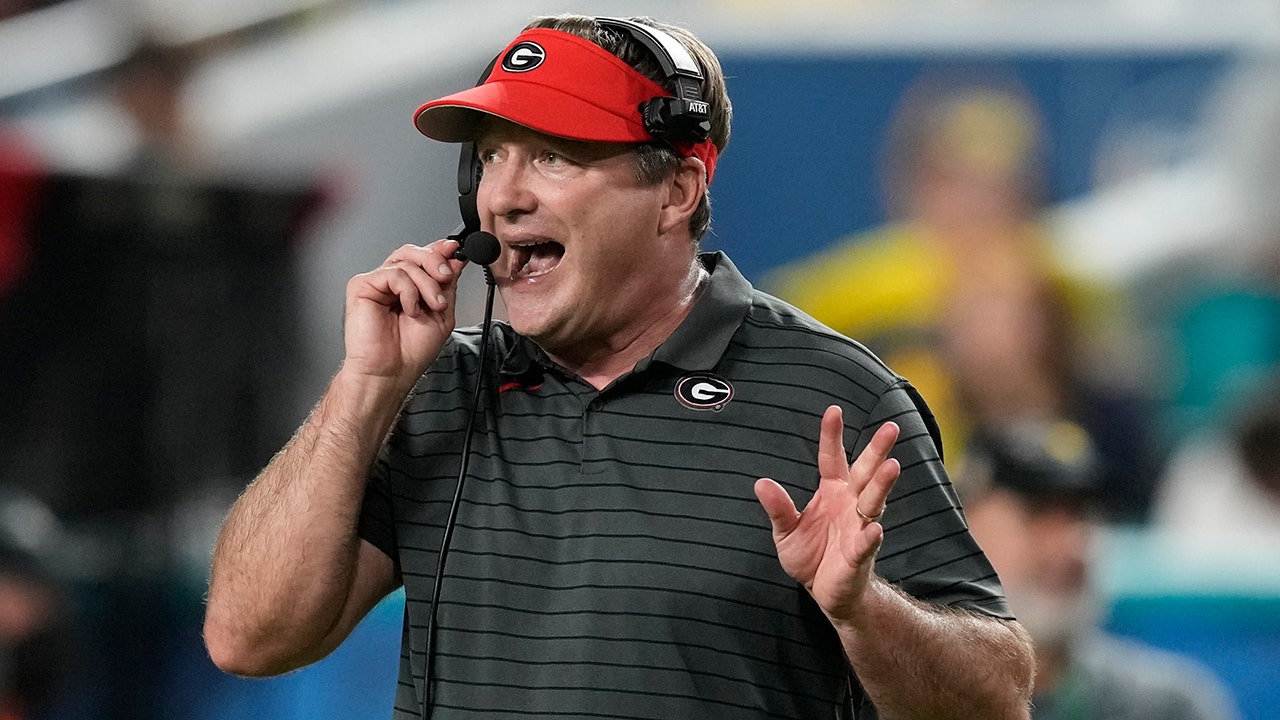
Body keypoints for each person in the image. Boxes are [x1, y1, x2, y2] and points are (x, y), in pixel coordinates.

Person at [203, 14, 1034, 719]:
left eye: (553, 157)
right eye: (492, 156)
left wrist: (863, 609)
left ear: (675, 193)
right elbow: (247, 637)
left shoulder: (831, 395)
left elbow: (999, 697)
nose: (504, 195)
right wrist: (363, 390)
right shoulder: (435, 389)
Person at [765, 76, 1159, 520]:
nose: (983, 206)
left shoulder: (1067, 285)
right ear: (915, 188)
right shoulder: (853, 293)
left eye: (1004, 186)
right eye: (961, 184)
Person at [956, 418, 1239, 720]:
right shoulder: (913, 693)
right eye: (1037, 514)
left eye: (1082, 516)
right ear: (963, 522)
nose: (1069, 547)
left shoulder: (1164, 707)